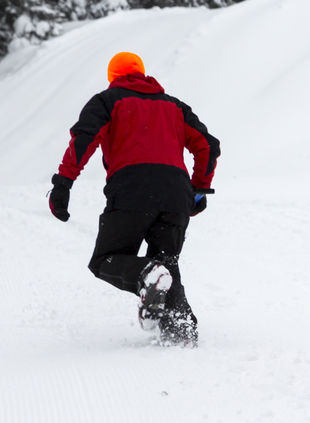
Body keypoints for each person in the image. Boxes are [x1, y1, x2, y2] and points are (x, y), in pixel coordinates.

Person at [48, 52, 220, 346]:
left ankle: (147, 274)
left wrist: (63, 183)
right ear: (142, 74)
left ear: (113, 77)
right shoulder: (174, 106)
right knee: (166, 262)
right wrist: (199, 189)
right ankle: (181, 334)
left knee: (105, 260)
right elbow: (208, 145)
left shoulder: (107, 100)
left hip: (131, 190)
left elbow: (84, 139)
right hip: (176, 194)